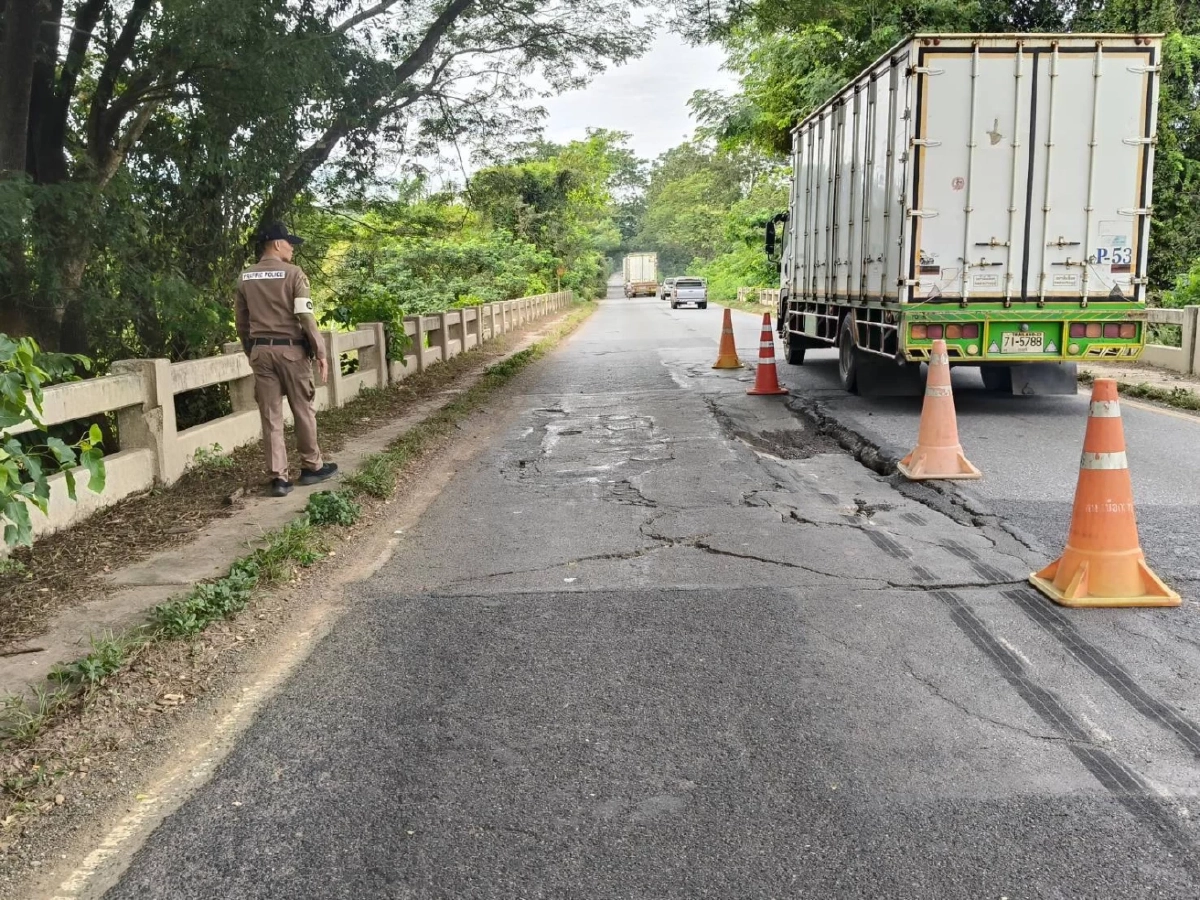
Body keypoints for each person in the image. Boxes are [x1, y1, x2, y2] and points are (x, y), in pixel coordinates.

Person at [235, 222, 337, 497]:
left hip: (261, 352)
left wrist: (251, 351)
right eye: (289, 242)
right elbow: (305, 315)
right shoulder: (294, 274)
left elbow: (241, 324)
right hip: (292, 351)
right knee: (303, 409)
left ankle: (279, 478)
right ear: (277, 244)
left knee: (271, 416)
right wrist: (320, 351)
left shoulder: (245, 278)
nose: (292, 247)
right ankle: (311, 466)